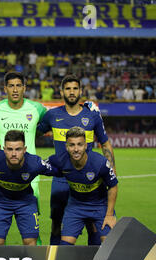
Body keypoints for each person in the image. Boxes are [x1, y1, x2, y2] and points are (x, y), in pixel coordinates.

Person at [37, 74, 116, 245]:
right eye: (68, 89)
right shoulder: (52, 115)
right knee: (57, 223)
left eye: (75, 88)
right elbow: (34, 133)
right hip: (61, 178)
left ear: (80, 91)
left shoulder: (92, 116)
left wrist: (112, 170)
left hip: (87, 177)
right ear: (61, 92)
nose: (71, 92)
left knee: (93, 225)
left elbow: (105, 144)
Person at [0, 71, 47, 244]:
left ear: (24, 88)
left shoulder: (37, 108)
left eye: (19, 85)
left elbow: (52, 121)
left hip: (29, 174)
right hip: (2, 172)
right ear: (5, 89)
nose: (15, 89)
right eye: (11, 86)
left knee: (32, 227)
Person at [0, 130, 58, 246]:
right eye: (10, 149)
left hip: (25, 203)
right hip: (0, 202)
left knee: (30, 242)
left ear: (24, 150)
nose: (14, 154)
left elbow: (59, 170)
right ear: (4, 149)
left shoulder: (35, 163)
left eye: (18, 149)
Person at [47, 127, 118, 245]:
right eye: (72, 145)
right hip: (75, 207)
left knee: (108, 247)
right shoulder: (60, 160)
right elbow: (37, 166)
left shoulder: (99, 163)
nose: (76, 149)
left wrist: (109, 215)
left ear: (86, 145)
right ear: (66, 147)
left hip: (100, 206)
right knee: (65, 246)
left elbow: (113, 186)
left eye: (79, 145)